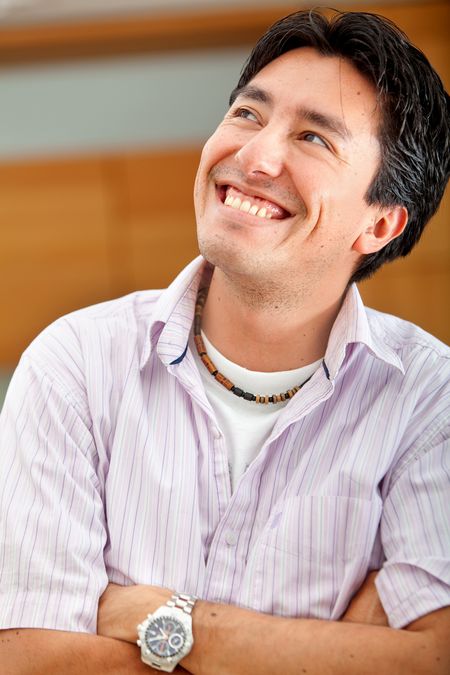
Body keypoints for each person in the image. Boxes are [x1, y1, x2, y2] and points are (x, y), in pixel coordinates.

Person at [0, 8, 449, 674]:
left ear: (381, 224)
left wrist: (158, 617)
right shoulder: (75, 365)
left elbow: (433, 658)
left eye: (314, 139)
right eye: (248, 114)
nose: (256, 155)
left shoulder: (429, 399)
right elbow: (34, 661)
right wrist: (337, 648)